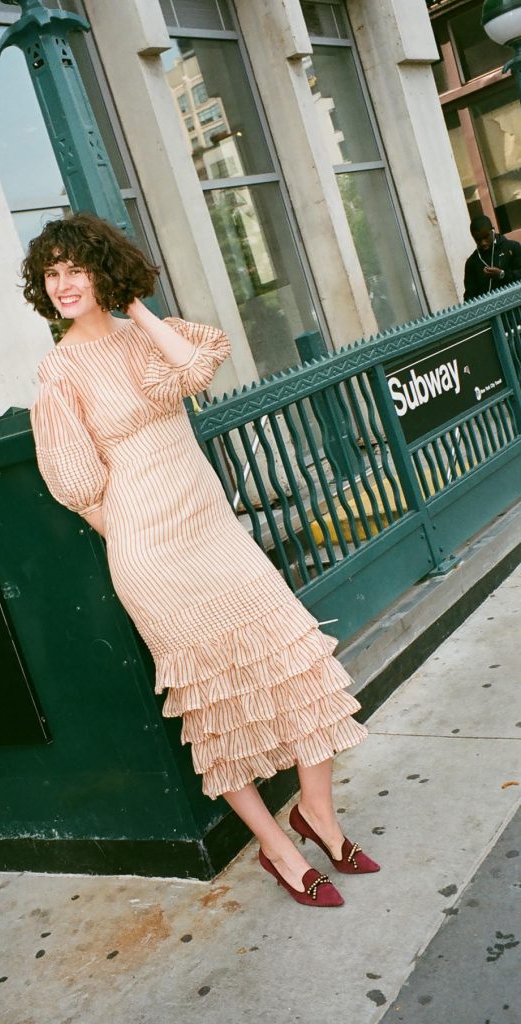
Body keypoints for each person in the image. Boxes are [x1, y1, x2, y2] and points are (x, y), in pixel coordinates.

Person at [24, 213, 379, 908]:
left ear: (104, 269)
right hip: (149, 551)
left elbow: (197, 369)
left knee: (297, 660)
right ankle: (277, 849)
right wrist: (133, 537)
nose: (63, 284)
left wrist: (133, 305)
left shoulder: (150, 339)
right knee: (212, 708)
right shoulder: (57, 372)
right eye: (52, 273)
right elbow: (74, 485)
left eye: (77, 268)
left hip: (213, 531)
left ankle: (318, 816)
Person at [463, 215, 521, 300]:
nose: (483, 243)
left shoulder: (512, 247)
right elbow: (469, 296)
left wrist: (502, 274)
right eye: (478, 239)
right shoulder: (471, 263)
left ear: (493, 231)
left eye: (486, 237)